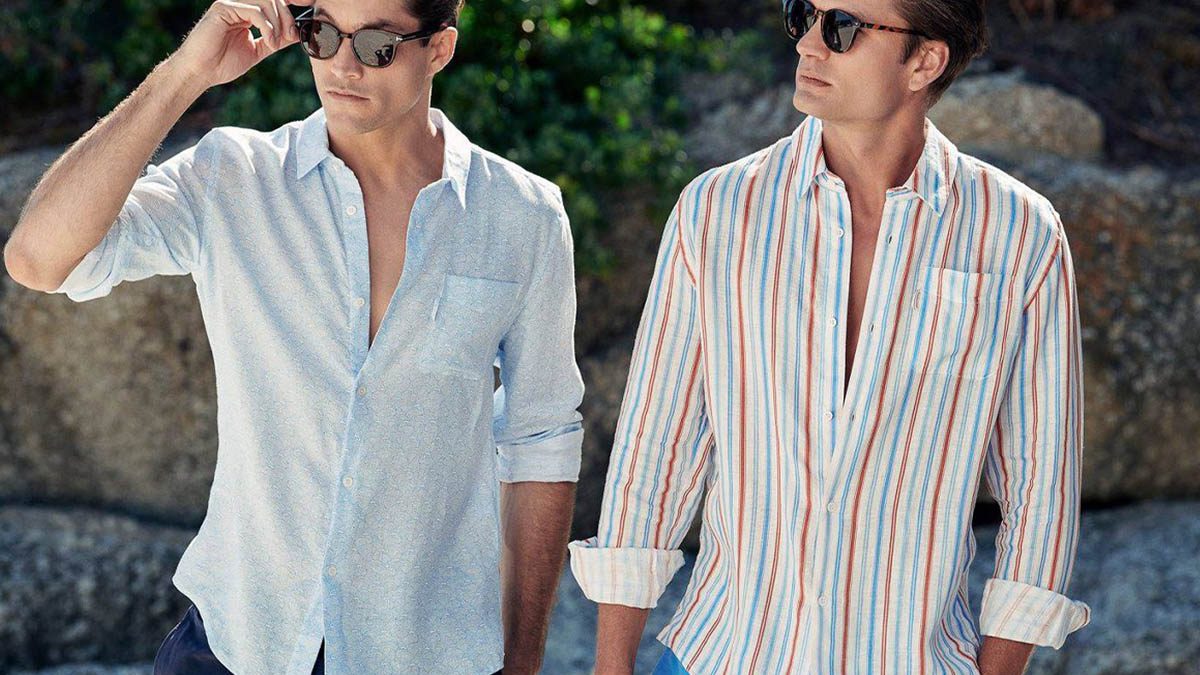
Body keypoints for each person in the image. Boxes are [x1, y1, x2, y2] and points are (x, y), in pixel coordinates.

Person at [3, 1, 584, 673]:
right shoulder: (234, 176)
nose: (342, 65)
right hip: (236, 646)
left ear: (440, 49)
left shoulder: (522, 216)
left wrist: (522, 660)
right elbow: (39, 260)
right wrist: (186, 73)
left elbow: (541, 440)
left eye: (376, 44)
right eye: (322, 33)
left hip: (425, 653)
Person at [567, 1, 1091, 673]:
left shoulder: (1020, 235)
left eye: (842, 28)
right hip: (726, 654)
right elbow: (656, 449)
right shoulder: (718, 210)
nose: (808, 45)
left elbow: (1041, 486)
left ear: (925, 61)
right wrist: (612, 666)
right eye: (803, 15)